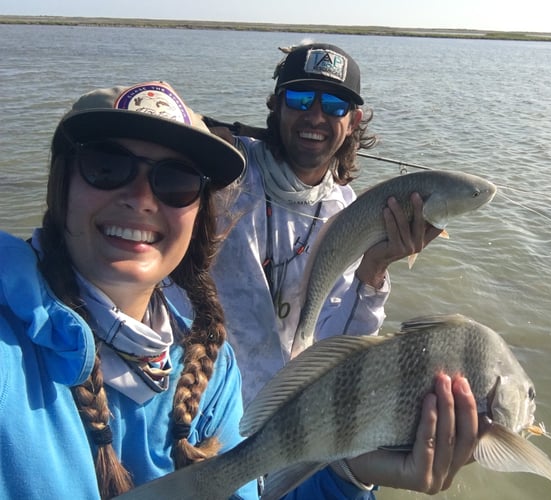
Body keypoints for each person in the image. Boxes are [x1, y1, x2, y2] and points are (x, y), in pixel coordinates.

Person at [0, 81, 479, 500]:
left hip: (270, 424)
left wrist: (351, 472)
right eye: (106, 165)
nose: (142, 199)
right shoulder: (11, 353)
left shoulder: (211, 374)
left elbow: (336, 353)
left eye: (178, 180)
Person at [167, 42, 479, 495]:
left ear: (353, 121)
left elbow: (334, 350)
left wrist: (375, 267)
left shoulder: (349, 212)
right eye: (299, 99)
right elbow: (153, 140)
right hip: (197, 405)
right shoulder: (223, 171)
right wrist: (192, 140)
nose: (315, 115)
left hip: (290, 425)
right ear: (274, 106)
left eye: (334, 104)